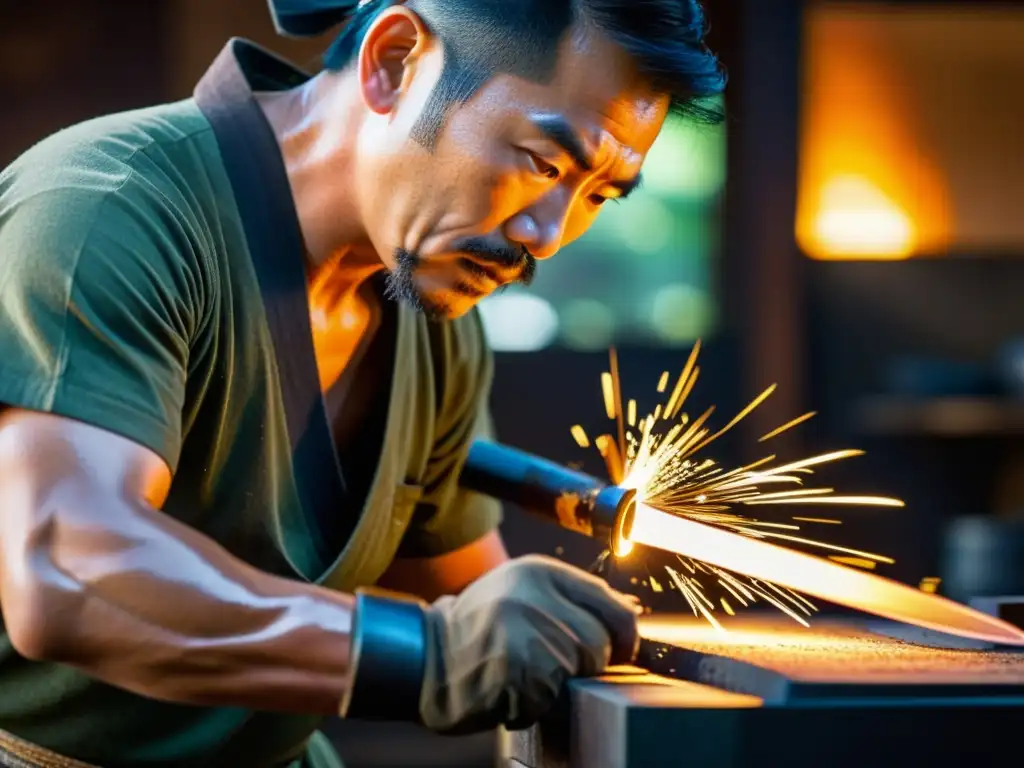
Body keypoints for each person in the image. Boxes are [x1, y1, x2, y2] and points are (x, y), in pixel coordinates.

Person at [0, 0, 725, 765]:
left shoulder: (435, 314)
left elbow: (467, 611)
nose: (546, 233)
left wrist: (572, 633)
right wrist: (432, 658)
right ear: (395, 62)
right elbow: (66, 575)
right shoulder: (107, 210)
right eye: (543, 163)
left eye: (598, 195)